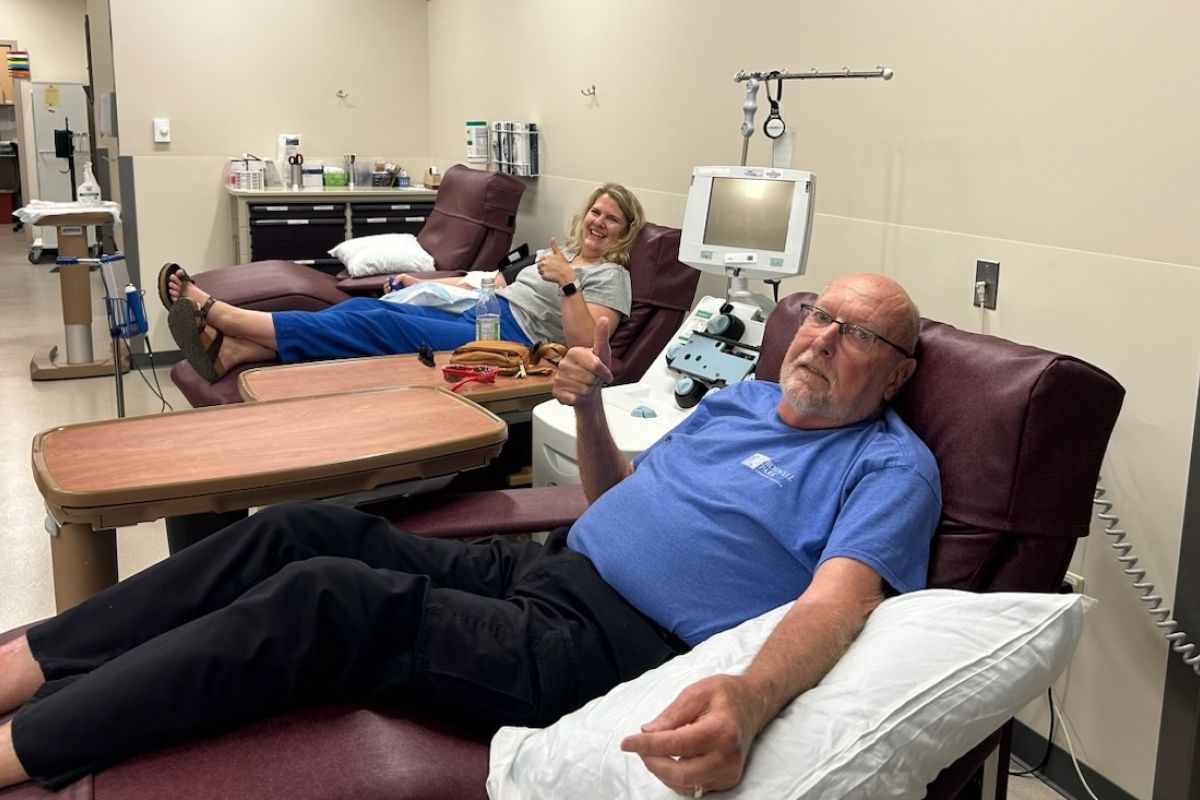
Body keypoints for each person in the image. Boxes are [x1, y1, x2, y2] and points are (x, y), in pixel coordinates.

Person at [0, 273, 940, 795]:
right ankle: (31, 662)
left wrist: (747, 692)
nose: (819, 338)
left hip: (607, 648)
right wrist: (597, 415)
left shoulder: (890, 467)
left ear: (896, 375)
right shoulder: (739, 400)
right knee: (294, 531)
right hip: (540, 567)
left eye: (858, 335)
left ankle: (28, 749)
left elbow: (839, 602)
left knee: (325, 599)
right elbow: (616, 498)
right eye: (819, 315)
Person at [162, 183, 645, 382]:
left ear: (625, 233)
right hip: (485, 309)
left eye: (613, 219)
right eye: (597, 212)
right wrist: (428, 281)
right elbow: (488, 284)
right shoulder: (552, 253)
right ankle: (237, 352)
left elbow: (589, 345)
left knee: (384, 327)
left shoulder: (610, 276)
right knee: (363, 311)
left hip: (514, 340)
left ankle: (229, 317)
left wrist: (567, 285)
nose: (599, 222)